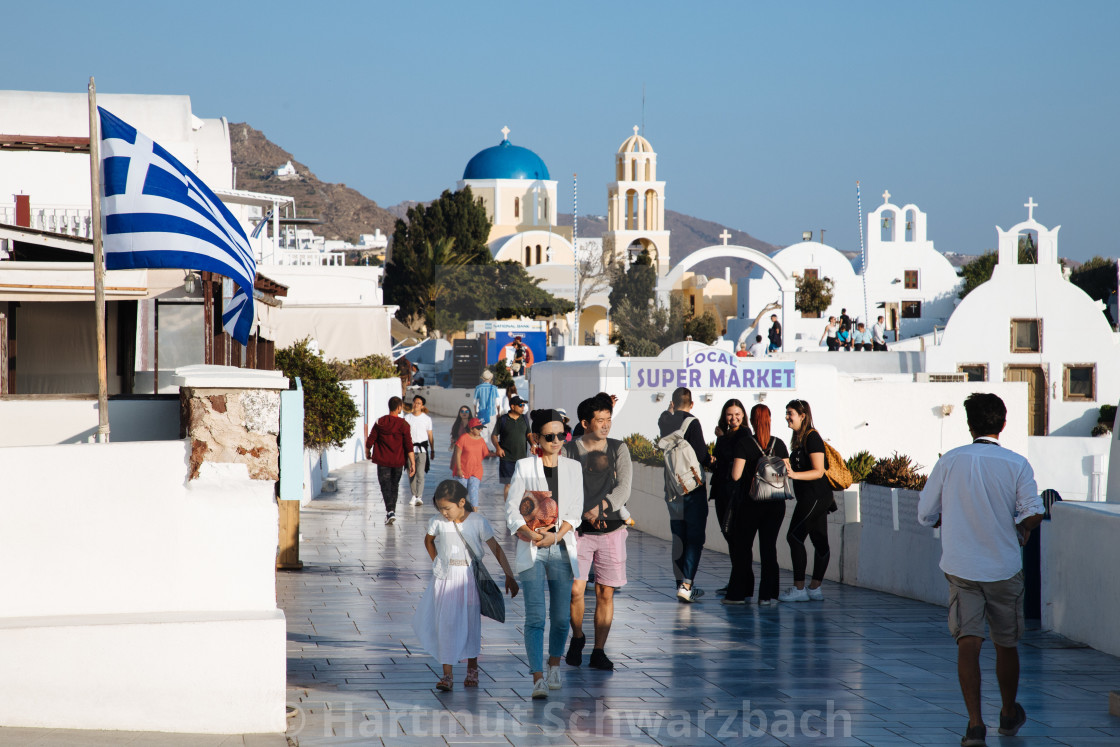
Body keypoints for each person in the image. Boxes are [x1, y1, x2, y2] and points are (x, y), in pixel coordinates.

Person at [917, 394, 1043, 746]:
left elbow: (924, 514)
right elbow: (1032, 512)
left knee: (967, 644)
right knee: (1006, 643)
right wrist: (1025, 528)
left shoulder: (950, 462)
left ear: (969, 424)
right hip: (1003, 566)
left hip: (961, 566)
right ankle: (1006, 713)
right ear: (1003, 424)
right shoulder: (1017, 464)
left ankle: (974, 725)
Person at [506, 409, 583, 699]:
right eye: (548, 436)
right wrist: (533, 535)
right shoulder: (525, 466)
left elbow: (575, 510)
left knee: (562, 618)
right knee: (536, 616)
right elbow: (512, 508)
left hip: (562, 547)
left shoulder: (573, 468)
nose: (556, 441)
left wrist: (556, 535)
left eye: (560, 435)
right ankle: (537, 677)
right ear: (536, 438)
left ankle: (554, 666)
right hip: (532, 547)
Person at [413, 480, 518, 692]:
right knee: (446, 624)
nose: (444, 512)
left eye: (447, 508)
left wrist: (509, 574)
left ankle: (472, 669)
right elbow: (428, 541)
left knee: (471, 623)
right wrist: (437, 562)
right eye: (440, 508)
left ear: (461, 502)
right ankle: (447, 674)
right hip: (445, 578)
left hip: (470, 578)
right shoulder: (437, 522)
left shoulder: (478, 521)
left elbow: (495, 547)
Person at [563, 395, 632, 671]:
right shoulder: (569, 450)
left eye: (608, 420)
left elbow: (624, 487)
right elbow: (562, 487)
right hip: (578, 531)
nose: (605, 426)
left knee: (605, 592)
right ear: (585, 423)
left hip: (612, 530)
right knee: (575, 590)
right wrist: (582, 512)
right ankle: (577, 637)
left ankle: (599, 651)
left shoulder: (618, 448)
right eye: (599, 420)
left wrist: (602, 507)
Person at [726, 405, 789, 605]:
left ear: (752, 421)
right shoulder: (779, 444)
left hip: (750, 503)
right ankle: (768, 595)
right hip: (776, 504)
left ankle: (739, 594)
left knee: (744, 548)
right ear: (769, 420)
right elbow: (787, 471)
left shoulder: (745, 443)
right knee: (769, 548)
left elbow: (736, 475)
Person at [657, 387, 712, 602]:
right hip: (692, 488)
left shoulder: (664, 421)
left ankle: (680, 584)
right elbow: (701, 454)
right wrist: (712, 461)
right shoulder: (692, 422)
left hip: (672, 489)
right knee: (695, 537)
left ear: (672, 402)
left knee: (678, 536)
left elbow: (665, 417)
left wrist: (669, 410)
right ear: (691, 404)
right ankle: (687, 584)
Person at [778, 399, 832, 601]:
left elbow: (818, 471)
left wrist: (794, 475)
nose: (787, 417)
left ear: (803, 416)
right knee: (819, 541)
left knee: (794, 537)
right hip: (812, 497)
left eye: (790, 413)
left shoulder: (812, 437)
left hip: (816, 496)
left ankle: (799, 589)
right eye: (786, 412)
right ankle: (814, 588)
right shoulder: (799, 438)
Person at [709, 399, 749, 598]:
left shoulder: (743, 434)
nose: (733, 418)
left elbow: (732, 456)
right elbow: (719, 458)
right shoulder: (725, 434)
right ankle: (737, 580)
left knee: (734, 537)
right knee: (729, 536)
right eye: (729, 414)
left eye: (737, 414)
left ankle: (739, 583)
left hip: (734, 494)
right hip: (722, 491)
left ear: (743, 415)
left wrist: (722, 438)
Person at [365, 396, 416, 525]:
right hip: (398, 461)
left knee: (385, 486)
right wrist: (412, 463)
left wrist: (368, 452)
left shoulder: (380, 422)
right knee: (394, 486)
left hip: (383, 461)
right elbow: (408, 445)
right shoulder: (404, 424)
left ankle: (390, 511)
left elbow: (370, 440)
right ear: (399, 407)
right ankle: (391, 511)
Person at [493, 395, 531, 500]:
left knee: (522, 485)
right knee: (508, 485)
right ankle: (507, 509)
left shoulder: (524, 418)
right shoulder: (503, 419)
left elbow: (529, 435)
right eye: (520, 405)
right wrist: (498, 448)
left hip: (522, 459)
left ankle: (520, 508)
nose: (523, 407)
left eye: (523, 405)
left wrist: (534, 445)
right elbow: (494, 435)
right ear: (513, 407)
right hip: (507, 458)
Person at [452, 417, 492, 507]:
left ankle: (474, 514)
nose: (480, 430)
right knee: (461, 494)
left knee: (474, 494)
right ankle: (460, 513)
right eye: (478, 428)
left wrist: (498, 453)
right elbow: (457, 454)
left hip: (476, 471)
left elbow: (486, 453)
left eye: (481, 427)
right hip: (462, 471)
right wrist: (458, 469)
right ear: (471, 428)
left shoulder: (481, 440)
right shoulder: (463, 438)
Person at [405, 394, 435, 507]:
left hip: (422, 449)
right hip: (410, 450)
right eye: (415, 402)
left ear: (422, 406)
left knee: (420, 474)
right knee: (411, 473)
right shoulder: (407, 418)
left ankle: (419, 496)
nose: (416, 405)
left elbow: (430, 435)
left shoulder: (427, 419)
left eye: (419, 403)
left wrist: (432, 449)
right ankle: (413, 495)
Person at [473, 370, 500, 446]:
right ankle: (492, 450)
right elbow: (497, 403)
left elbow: (474, 403)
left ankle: (484, 450)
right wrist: (499, 412)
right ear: (490, 378)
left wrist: (475, 412)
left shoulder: (478, 388)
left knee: (482, 432)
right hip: (492, 414)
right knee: (492, 432)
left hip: (481, 413)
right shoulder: (494, 388)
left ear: (482, 378)